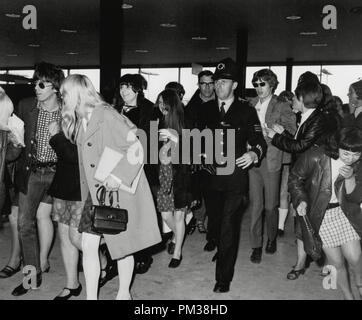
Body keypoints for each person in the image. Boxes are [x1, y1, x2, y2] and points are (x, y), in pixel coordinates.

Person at [61, 74, 161, 300]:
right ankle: (92, 297)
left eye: (65, 93)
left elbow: (138, 146)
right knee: (88, 245)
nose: (62, 98)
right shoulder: (81, 120)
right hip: (95, 195)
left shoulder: (106, 114)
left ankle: (124, 293)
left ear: (78, 93)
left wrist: (119, 176)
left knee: (122, 247)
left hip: (116, 192)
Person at [198, 58, 267, 293]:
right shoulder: (204, 110)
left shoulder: (245, 111)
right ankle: (219, 247)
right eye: (217, 81)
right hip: (211, 179)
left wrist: (253, 155)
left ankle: (223, 279)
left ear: (234, 85)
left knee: (229, 227)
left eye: (224, 81)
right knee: (216, 226)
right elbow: (192, 139)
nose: (218, 85)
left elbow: (259, 142)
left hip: (236, 179)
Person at [265, 78, 339, 280]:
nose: (292, 103)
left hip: (314, 180)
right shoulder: (309, 117)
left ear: (302, 99)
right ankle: (300, 263)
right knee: (301, 219)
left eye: (295, 99)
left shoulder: (317, 119)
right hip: (305, 178)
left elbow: (300, 147)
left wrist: (275, 137)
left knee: (311, 220)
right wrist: (285, 133)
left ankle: (327, 263)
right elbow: (300, 141)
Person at [9, 62, 65, 296]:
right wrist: (13, 143)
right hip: (32, 172)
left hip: (59, 174)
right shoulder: (26, 106)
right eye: (35, 82)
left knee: (63, 224)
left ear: (54, 87)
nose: (37, 87)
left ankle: (47, 263)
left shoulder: (67, 110)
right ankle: (32, 276)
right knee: (24, 223)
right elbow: (17, 142)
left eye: (42, 84)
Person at [289, 127, 362, 300]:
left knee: (355, 257)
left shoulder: (358, 164)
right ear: (337, 146)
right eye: (346, 154)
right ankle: (348, 296)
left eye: (356, 154)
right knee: (337, 263)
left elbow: (355, 197)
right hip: (321, 215)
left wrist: (351, 177)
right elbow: (295, 178)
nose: (350, 159)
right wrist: (301, 200)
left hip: (345, 213)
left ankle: (360, 283)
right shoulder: (316, 156)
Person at [247, 69, 296, 264]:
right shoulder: (249, 104)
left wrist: (282, 130)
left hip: (272, 158)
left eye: (263, 84)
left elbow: (293, 130)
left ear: (272, 85)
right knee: (256, 205)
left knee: (270, 205)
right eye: (256, 84)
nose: (259, 88)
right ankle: (256, 245)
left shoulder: (282, 105)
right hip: (252, 158)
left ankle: (272, 237)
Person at [116, 73, 156, 275]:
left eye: (129, 87)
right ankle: (121, 254)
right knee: (121, 213)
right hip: (117, 166)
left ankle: (142, 255)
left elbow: (151, 140)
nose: (124, 91)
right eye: (122, 87)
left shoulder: (149, 109)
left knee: (140, 214)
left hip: (141, 167)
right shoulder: (115, 108)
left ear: (138, 89)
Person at [155, 89, 193, 268]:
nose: (162, 106)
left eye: (165, 103)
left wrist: (175, 138)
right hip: (164, 174)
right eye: (160, 102)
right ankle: (178, 235)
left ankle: (177, 252)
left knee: (178, 217)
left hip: (181, 175)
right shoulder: (158, 121)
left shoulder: (185, 121)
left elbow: (191, 151)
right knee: (164, 214)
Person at [47, 122, 83, 300]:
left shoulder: (89, 115)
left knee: (77, 237)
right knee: (64, 236)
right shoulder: (64, 116)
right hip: (63, 184)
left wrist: (56, 136)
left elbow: (74, 154)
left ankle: (105, 261)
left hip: (82, 188)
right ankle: (72, 284)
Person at [185, 70, 216, 234]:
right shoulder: (191, 106)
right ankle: (198, 220)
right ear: (198, 84)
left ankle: (212, 223)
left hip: (216, 151)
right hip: (196, 152)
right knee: (197, 188)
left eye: (210, 83)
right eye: (203, 83)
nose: (207, 87)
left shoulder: (221, 103)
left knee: (214, 190)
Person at [276, 91, 295, 237]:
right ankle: (280, 225)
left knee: (284, 192)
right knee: (282, 193)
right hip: (282, 159)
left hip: (289, 160)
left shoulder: (297, 116)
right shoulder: (295, 115)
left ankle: (281, 226)